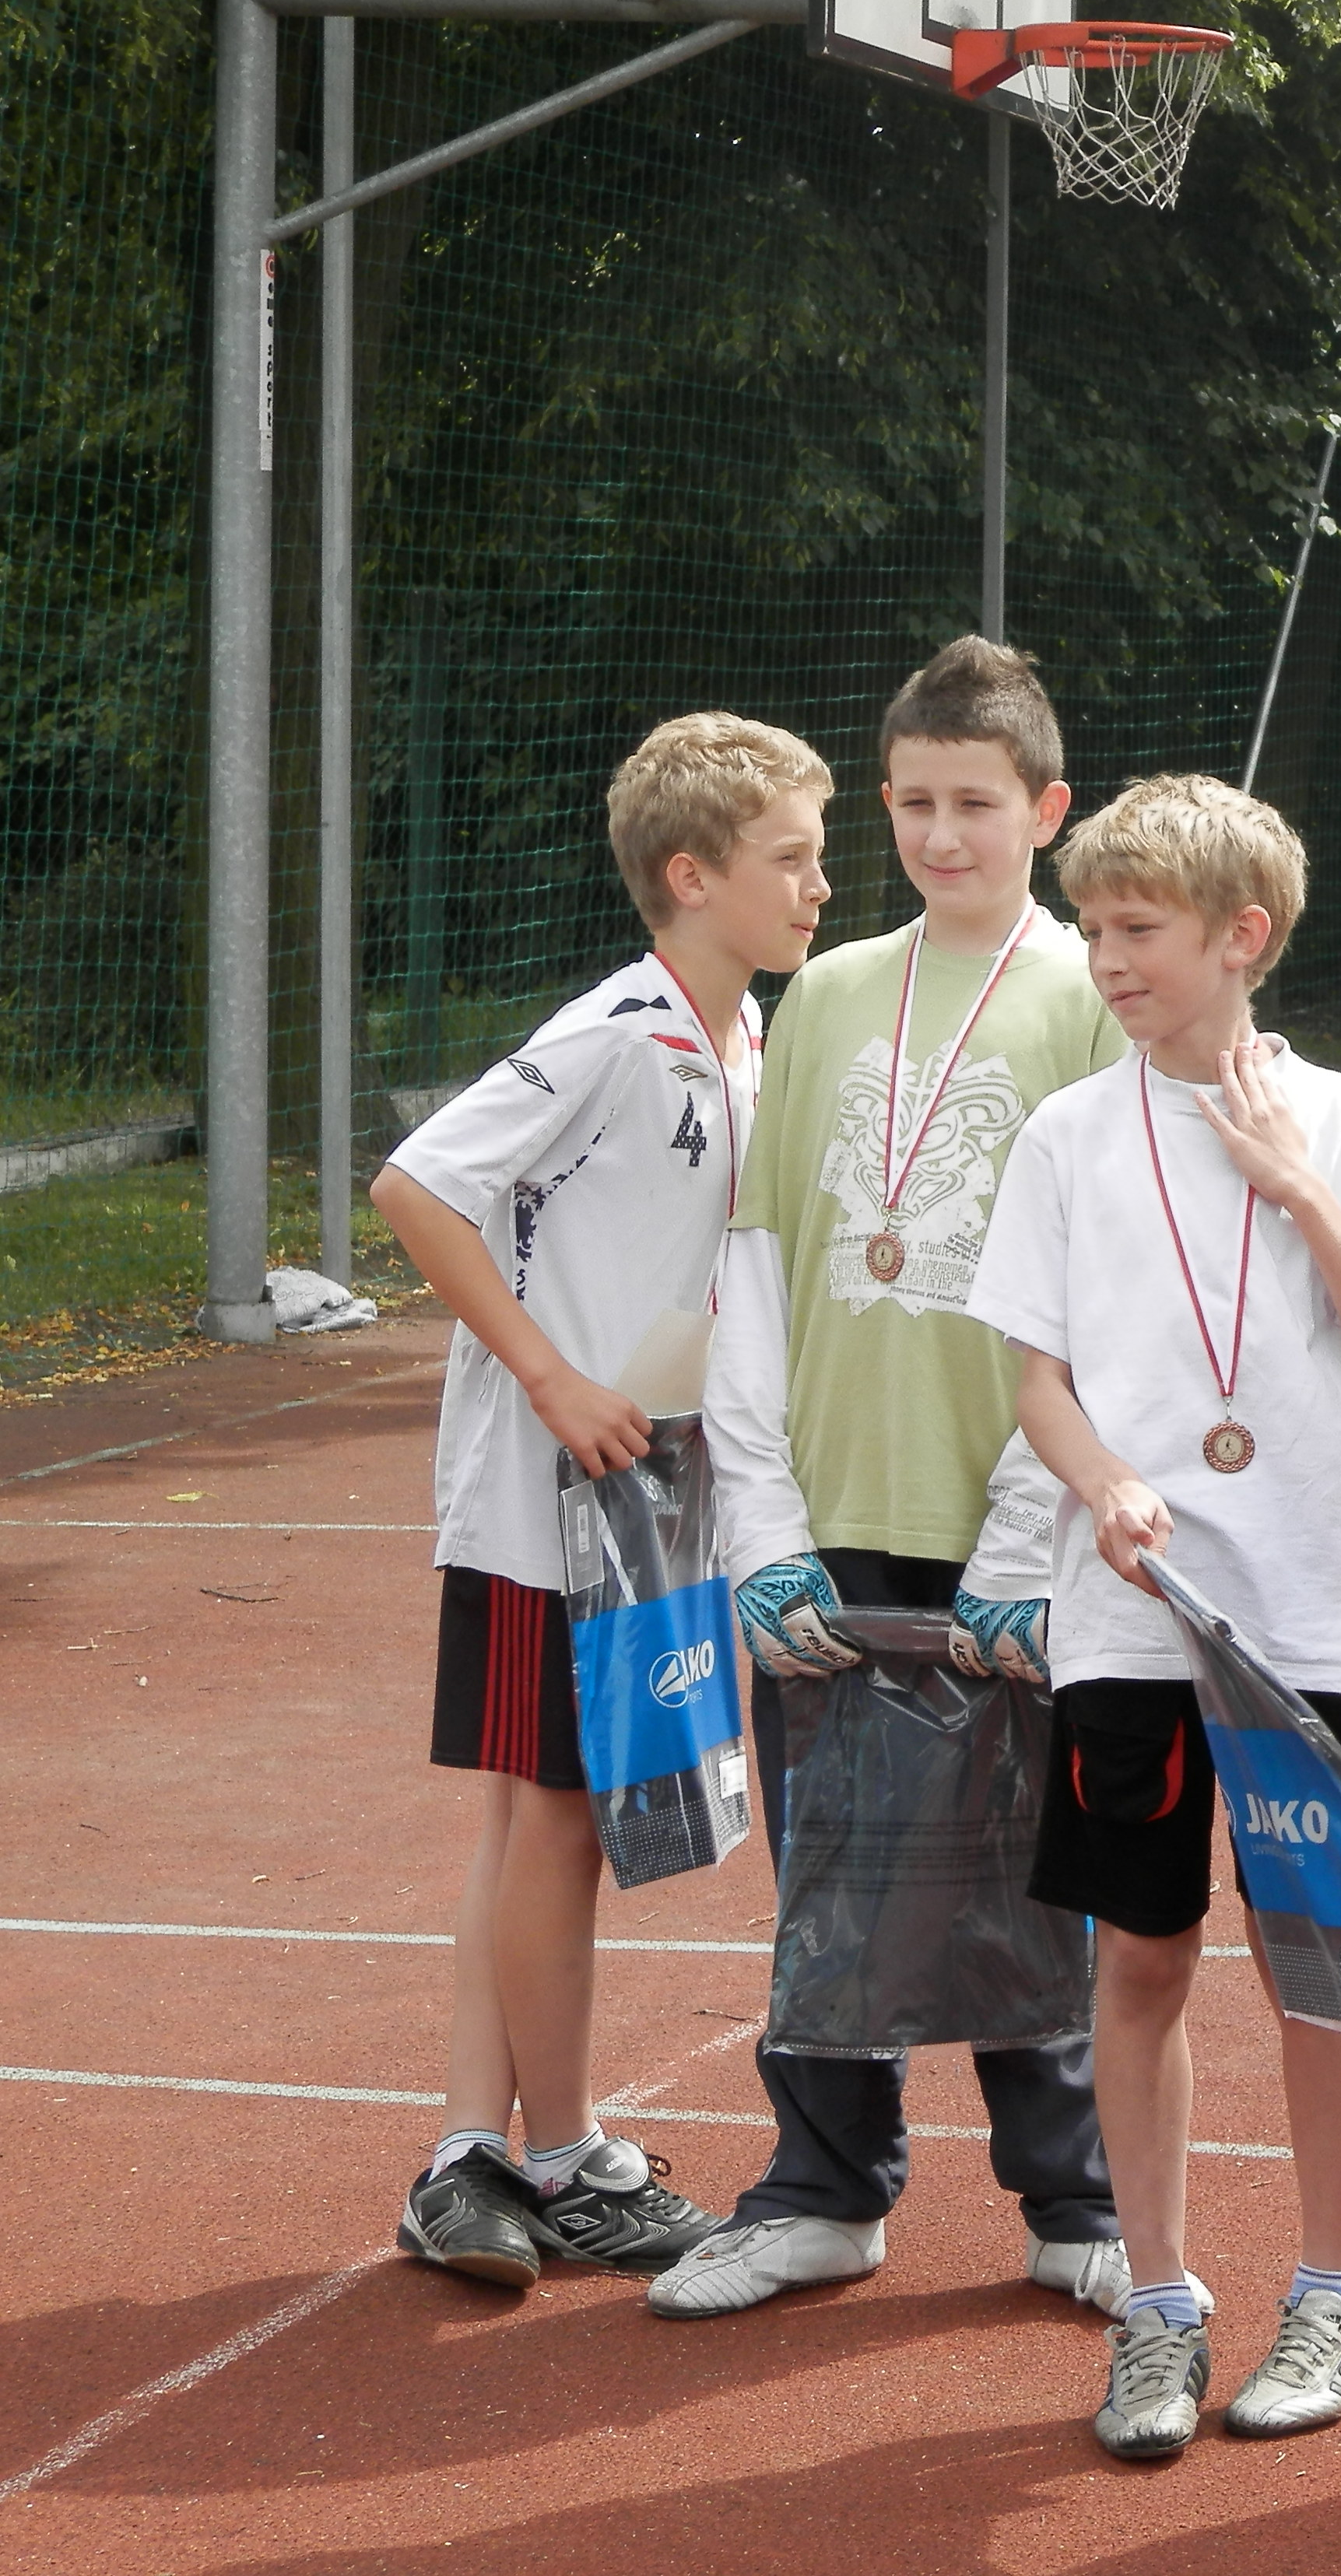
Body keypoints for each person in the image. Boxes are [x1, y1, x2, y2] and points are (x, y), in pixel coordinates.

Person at [967, 776, 1341, 2459]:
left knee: (1318, 1963)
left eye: (1139, 929)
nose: (1107, 957)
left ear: (1243, 937)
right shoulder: (1067, 1135)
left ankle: (1335, 2294)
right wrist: (1105, 1480)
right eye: (1094, 927)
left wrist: (1299, 1190)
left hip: (1307, 1624)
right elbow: (1036, 1379)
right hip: (1132, 1621)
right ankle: (1163, 2303)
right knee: (1143, 1954)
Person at [651, 636, 1136, 2322]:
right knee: (835, 1873)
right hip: (835, 1514)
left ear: (1047, 812)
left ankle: (1078, 2199)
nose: (943, 835)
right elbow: (758, 1258)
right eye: (916, 803)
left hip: (1015, 1524)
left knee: (1032, 1870)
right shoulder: (831, 992)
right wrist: (764, 1526)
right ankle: (823, 2190)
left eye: (977, 805)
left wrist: (1025, 1538)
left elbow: (1108, 1303)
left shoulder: (1093, 1001)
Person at [376, 711, 831, 2287]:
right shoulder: (616, 1034)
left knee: (532, 1812)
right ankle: (563, 2155)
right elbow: (416, 1186)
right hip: (549, 1498)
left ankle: (470, 2153)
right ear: (691, 876)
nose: (819, 887)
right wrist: (553, 1380)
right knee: (558, 1814)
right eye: (792, 859)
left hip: (645, 1492)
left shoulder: (745, 1031)